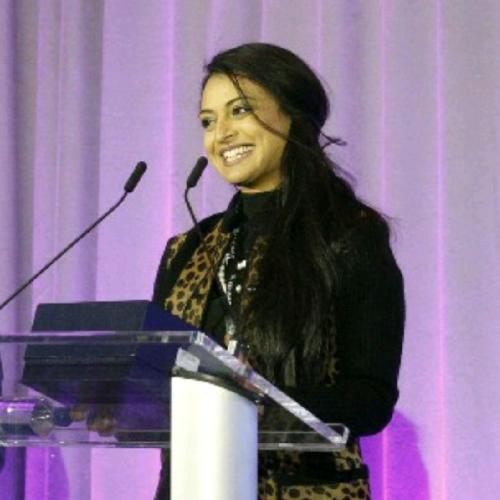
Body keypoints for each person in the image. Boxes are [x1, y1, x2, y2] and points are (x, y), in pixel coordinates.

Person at [152, 43, 405, 500]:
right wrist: (108, 400)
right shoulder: (185, 251)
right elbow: (154, 378)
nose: (221, 134)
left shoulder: (348, 236)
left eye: (240, 111)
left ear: (293, 115)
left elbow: (370, 399)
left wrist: (251, 403)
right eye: (208, 121)